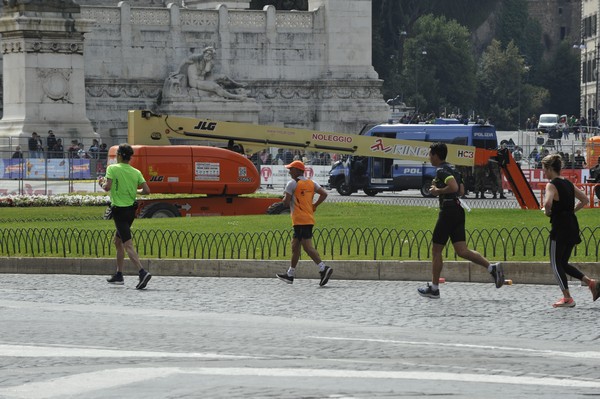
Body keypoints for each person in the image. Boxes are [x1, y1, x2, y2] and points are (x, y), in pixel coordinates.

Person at [418, 143, 505, 299]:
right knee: (462, 251)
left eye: (430, 154)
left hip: (448, 211)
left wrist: (437, 191)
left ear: (437, 155)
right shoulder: (454, 169)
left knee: (436, 250)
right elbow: (462, 190)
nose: (429, 157)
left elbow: (453, 187)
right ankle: (491, 267)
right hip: (458, 210)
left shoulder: (441, 170)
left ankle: (434, 288)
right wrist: (442, 189)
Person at [541, 154, 600, 307]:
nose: (544, 173)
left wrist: (548, 212)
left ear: (549, 168)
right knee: (563, 263)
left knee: (555, 263)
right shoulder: (568, 183)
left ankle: (567, 297)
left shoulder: (551, 184)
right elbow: (585, 199)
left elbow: (547, 204)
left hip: (560, 226)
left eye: (544, 169)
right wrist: (571, 211)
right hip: (572, 224)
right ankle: (591, 283)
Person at [98, 143, 152, 290]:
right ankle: (119, 274)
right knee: (117, 241)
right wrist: (135, 191)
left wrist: (101, 183)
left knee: (127, 244)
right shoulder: (136, 172)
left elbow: (107, 187)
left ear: (120, 155)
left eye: (116, 155)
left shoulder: (112, 169)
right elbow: (146, 190)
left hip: (119, 211)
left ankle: (142, 272)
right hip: (130, 211)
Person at [276, 160, 332, 286]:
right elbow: (324, 194)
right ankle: (290, 274)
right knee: (295, 246)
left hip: (299, 220)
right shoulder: (312, 183)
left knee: (307, 247)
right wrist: (314, 205)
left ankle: (323, 268)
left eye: (291, 169)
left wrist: (284, 197)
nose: (289, 171)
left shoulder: (292, 184)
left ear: (297, 170)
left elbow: (286, 202)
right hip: (308, 219)